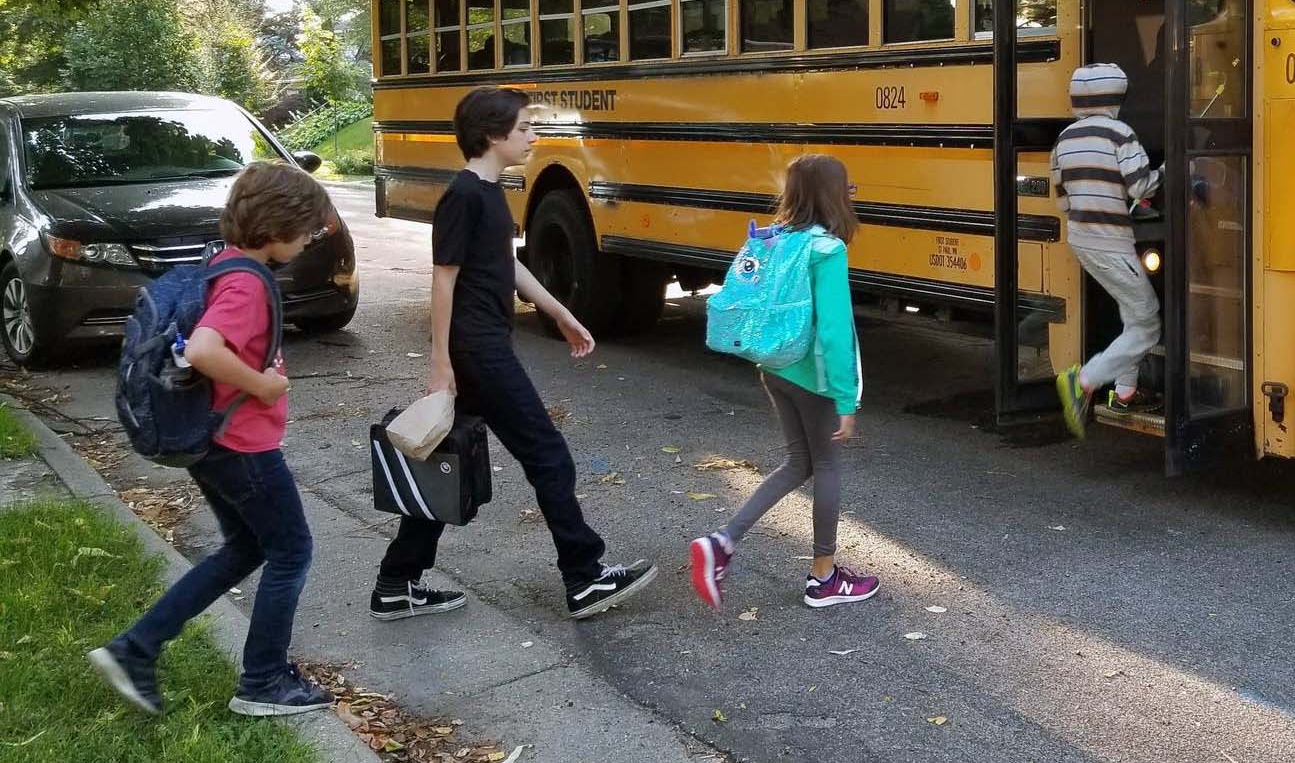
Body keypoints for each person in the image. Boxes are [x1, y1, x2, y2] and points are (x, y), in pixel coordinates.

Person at [372, 87, 655, 621]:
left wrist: (561, 312)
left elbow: (509, 265)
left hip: (482, 346)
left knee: (442, 454)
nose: (533, 136)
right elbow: (443, 279)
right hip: (476, 349)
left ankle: (396, 582)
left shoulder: (489, 191)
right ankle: (584, 576)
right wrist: (441, 365)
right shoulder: (463, 196)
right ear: (493, 134)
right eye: (525, 128)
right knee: (547, 455)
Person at [90, 163, 339, 718]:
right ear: (278, 227)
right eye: (307, 230)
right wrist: (266, 385)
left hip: (214, 442)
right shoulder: (249, 283)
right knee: (292, 551)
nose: (309, 239)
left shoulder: (222, 263)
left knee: (246, 547)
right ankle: (263, 682)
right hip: (242, 445)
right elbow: (204, 350)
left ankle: (135, 648)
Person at [689, 154, 877, 610]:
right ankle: (823, 577)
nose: (851, 194)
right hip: (813, 375)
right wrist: (845, 397)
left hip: (774, 367)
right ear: (833, 195)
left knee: (799, 463)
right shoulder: (827, 250)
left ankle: (723, 541)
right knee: (827, 466)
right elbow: (834, 329)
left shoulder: (774, 241)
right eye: (847, 187)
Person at [1050, 63, 1163, 438]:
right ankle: (1083, 380)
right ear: (1117, 98)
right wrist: (1166, 172)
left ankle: (1126, 391)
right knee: (1148, 320)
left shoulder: (1064, 139)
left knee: (1130, 307)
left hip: (1081, 239)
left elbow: (1062, 200)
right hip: (1112, 243)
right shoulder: (1121, 134)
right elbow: (1140, 188)